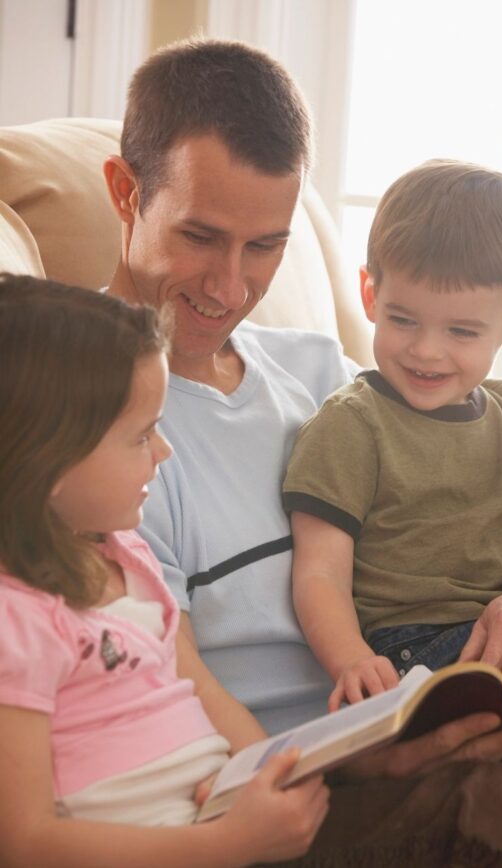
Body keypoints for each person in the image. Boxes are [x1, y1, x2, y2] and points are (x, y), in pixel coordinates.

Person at [104, 39, 502, 743]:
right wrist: (363, 763)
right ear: (125, 193)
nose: (231, 289)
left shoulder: (327, 370)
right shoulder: (91, 422)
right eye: (200, 236)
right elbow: (161, 693)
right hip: (319, 767)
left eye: (266, 246)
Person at [0, 274, 331, 867]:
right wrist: (225, 846)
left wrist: (272, 770)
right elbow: (25, 842)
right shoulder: (14, 619)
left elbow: (198, 686)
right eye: (143, 435)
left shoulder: (125, 552)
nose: (164, 451)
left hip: (221, 820)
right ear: (50, 461)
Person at [282, 160, 502, 710]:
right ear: (370, 294)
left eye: (461, 331)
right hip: (410, 647)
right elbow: (320, 569)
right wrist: (350, 659)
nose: (425, 350)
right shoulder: (351, 424)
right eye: (403, 320)